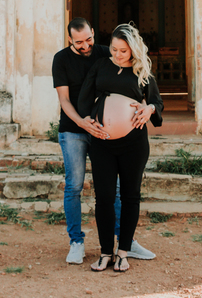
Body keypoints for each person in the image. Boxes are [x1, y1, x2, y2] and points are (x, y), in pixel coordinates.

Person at [52, 18, 157, 265]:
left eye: (89, 39)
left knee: (118, 191)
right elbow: (65, 100)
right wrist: (83, 122)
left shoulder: (106, 53)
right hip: (75, 128)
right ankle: (76, 242)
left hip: (111, 136)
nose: (86, 45)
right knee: (75, 186)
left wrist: (147, 107)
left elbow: (134, 81)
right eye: (79, 42)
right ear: (70, 40)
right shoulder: (62, 59)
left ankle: (126, 243)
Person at [77, 22, 163, 273]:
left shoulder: (142, 72)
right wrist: (89, 121)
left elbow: (156, 102)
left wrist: (148, 109)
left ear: (133, 50)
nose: (116, 55)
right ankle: (105, 253)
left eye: (122, 51)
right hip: (102, 143)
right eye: (114, 49)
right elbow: (84, 98)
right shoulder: (101, 65)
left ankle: (123, 252)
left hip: (133, 144)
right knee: (103, 198)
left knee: (130, 196)